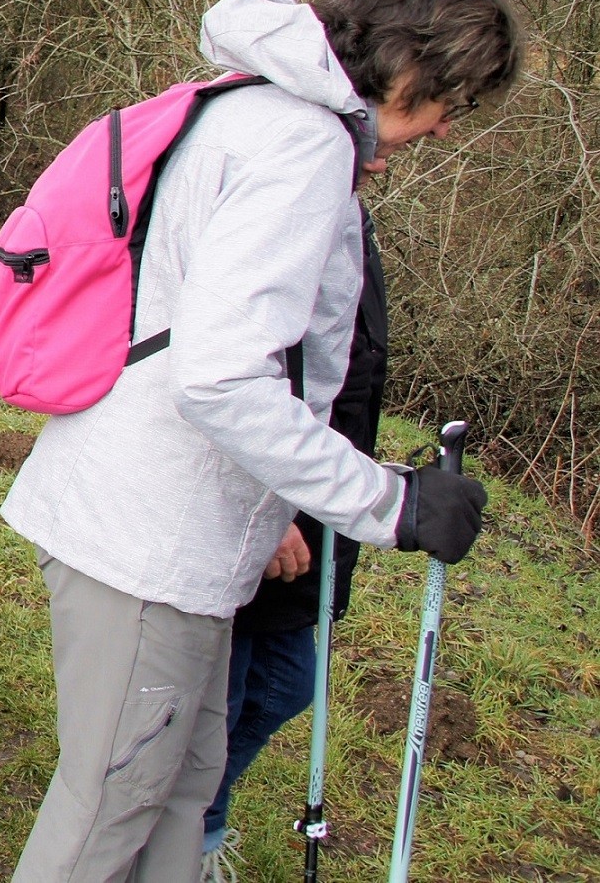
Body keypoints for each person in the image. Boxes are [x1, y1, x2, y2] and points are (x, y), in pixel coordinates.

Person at [0, 0, 521, 882]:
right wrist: (385, 504)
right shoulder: (301, 143)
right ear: (408, 67)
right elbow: (222, 378)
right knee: (107, 811)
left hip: (168, 534)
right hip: (148, 542)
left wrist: (303, 497)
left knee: (180, 791)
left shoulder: (250, 107)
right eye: (454, 99)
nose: (446, 128)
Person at [200, 202, 385, 882]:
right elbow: (231, 364)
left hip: (314, 493)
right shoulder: (290, 198)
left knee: (283, 686)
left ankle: (190, 825)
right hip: (266, 499)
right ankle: (183, 838)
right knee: (225, 693)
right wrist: (265, 502)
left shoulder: (346, 208)